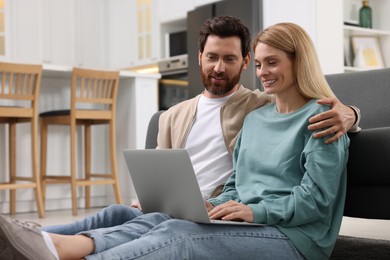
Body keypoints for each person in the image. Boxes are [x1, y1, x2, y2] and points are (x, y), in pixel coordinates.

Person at [0, 18, 355, 260]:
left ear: (299, 62)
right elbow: (236, 182)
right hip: (251, 220)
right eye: (260, 65)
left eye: (272, 63)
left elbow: (317, 202)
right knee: (164, 222)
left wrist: (253, 210)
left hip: (296, 238)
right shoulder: (258, 118)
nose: (263, 73)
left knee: (181, 238)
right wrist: (218, 205)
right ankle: (45, 243)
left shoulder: (323, 120)